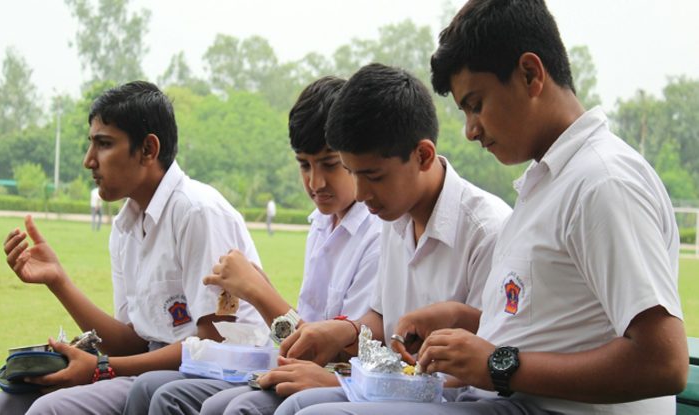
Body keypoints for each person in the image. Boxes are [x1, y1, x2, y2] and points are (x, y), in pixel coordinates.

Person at [284, 1, 689, 415]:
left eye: (476, 104)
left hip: (548, 408)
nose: (471, 130)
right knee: (295, 406)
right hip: (506, 400)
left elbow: (664, 363)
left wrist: (498, 365)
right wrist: (462, 320)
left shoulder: (603, 183)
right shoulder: (549, 182)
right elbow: (557, 332)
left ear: (530, 75)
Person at [0, 81, 266, 415]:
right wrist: (58, 280)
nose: (88, 161)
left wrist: (101, 368)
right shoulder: (125, 227)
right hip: (150, 370)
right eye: (91, 145)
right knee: (5, 405)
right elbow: (136, 341)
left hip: (208, 377)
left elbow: (213, 341)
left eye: (104, 144)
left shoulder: (197, 212)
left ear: (148, 150)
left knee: (50, 410)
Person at [123, 76, 384, 415]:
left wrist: (260, 293)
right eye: (304, 164)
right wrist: (259, 290)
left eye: (330, 164)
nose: (315, 182)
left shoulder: (376, 234)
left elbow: (334, 353)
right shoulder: (322, 224)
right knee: (167, 393)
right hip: (299, 368)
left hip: (340, 381)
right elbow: (303, 335)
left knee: (221, 407)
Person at [266, 63, 511, 415]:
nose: (361, 193)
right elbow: (383, 321)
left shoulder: (487, 231)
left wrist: (347, 383)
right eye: (351, 173)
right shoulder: (394, 216)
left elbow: (481, 367)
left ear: (423, 156)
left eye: (373, 176)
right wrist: (344, 333)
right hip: (397, 389)